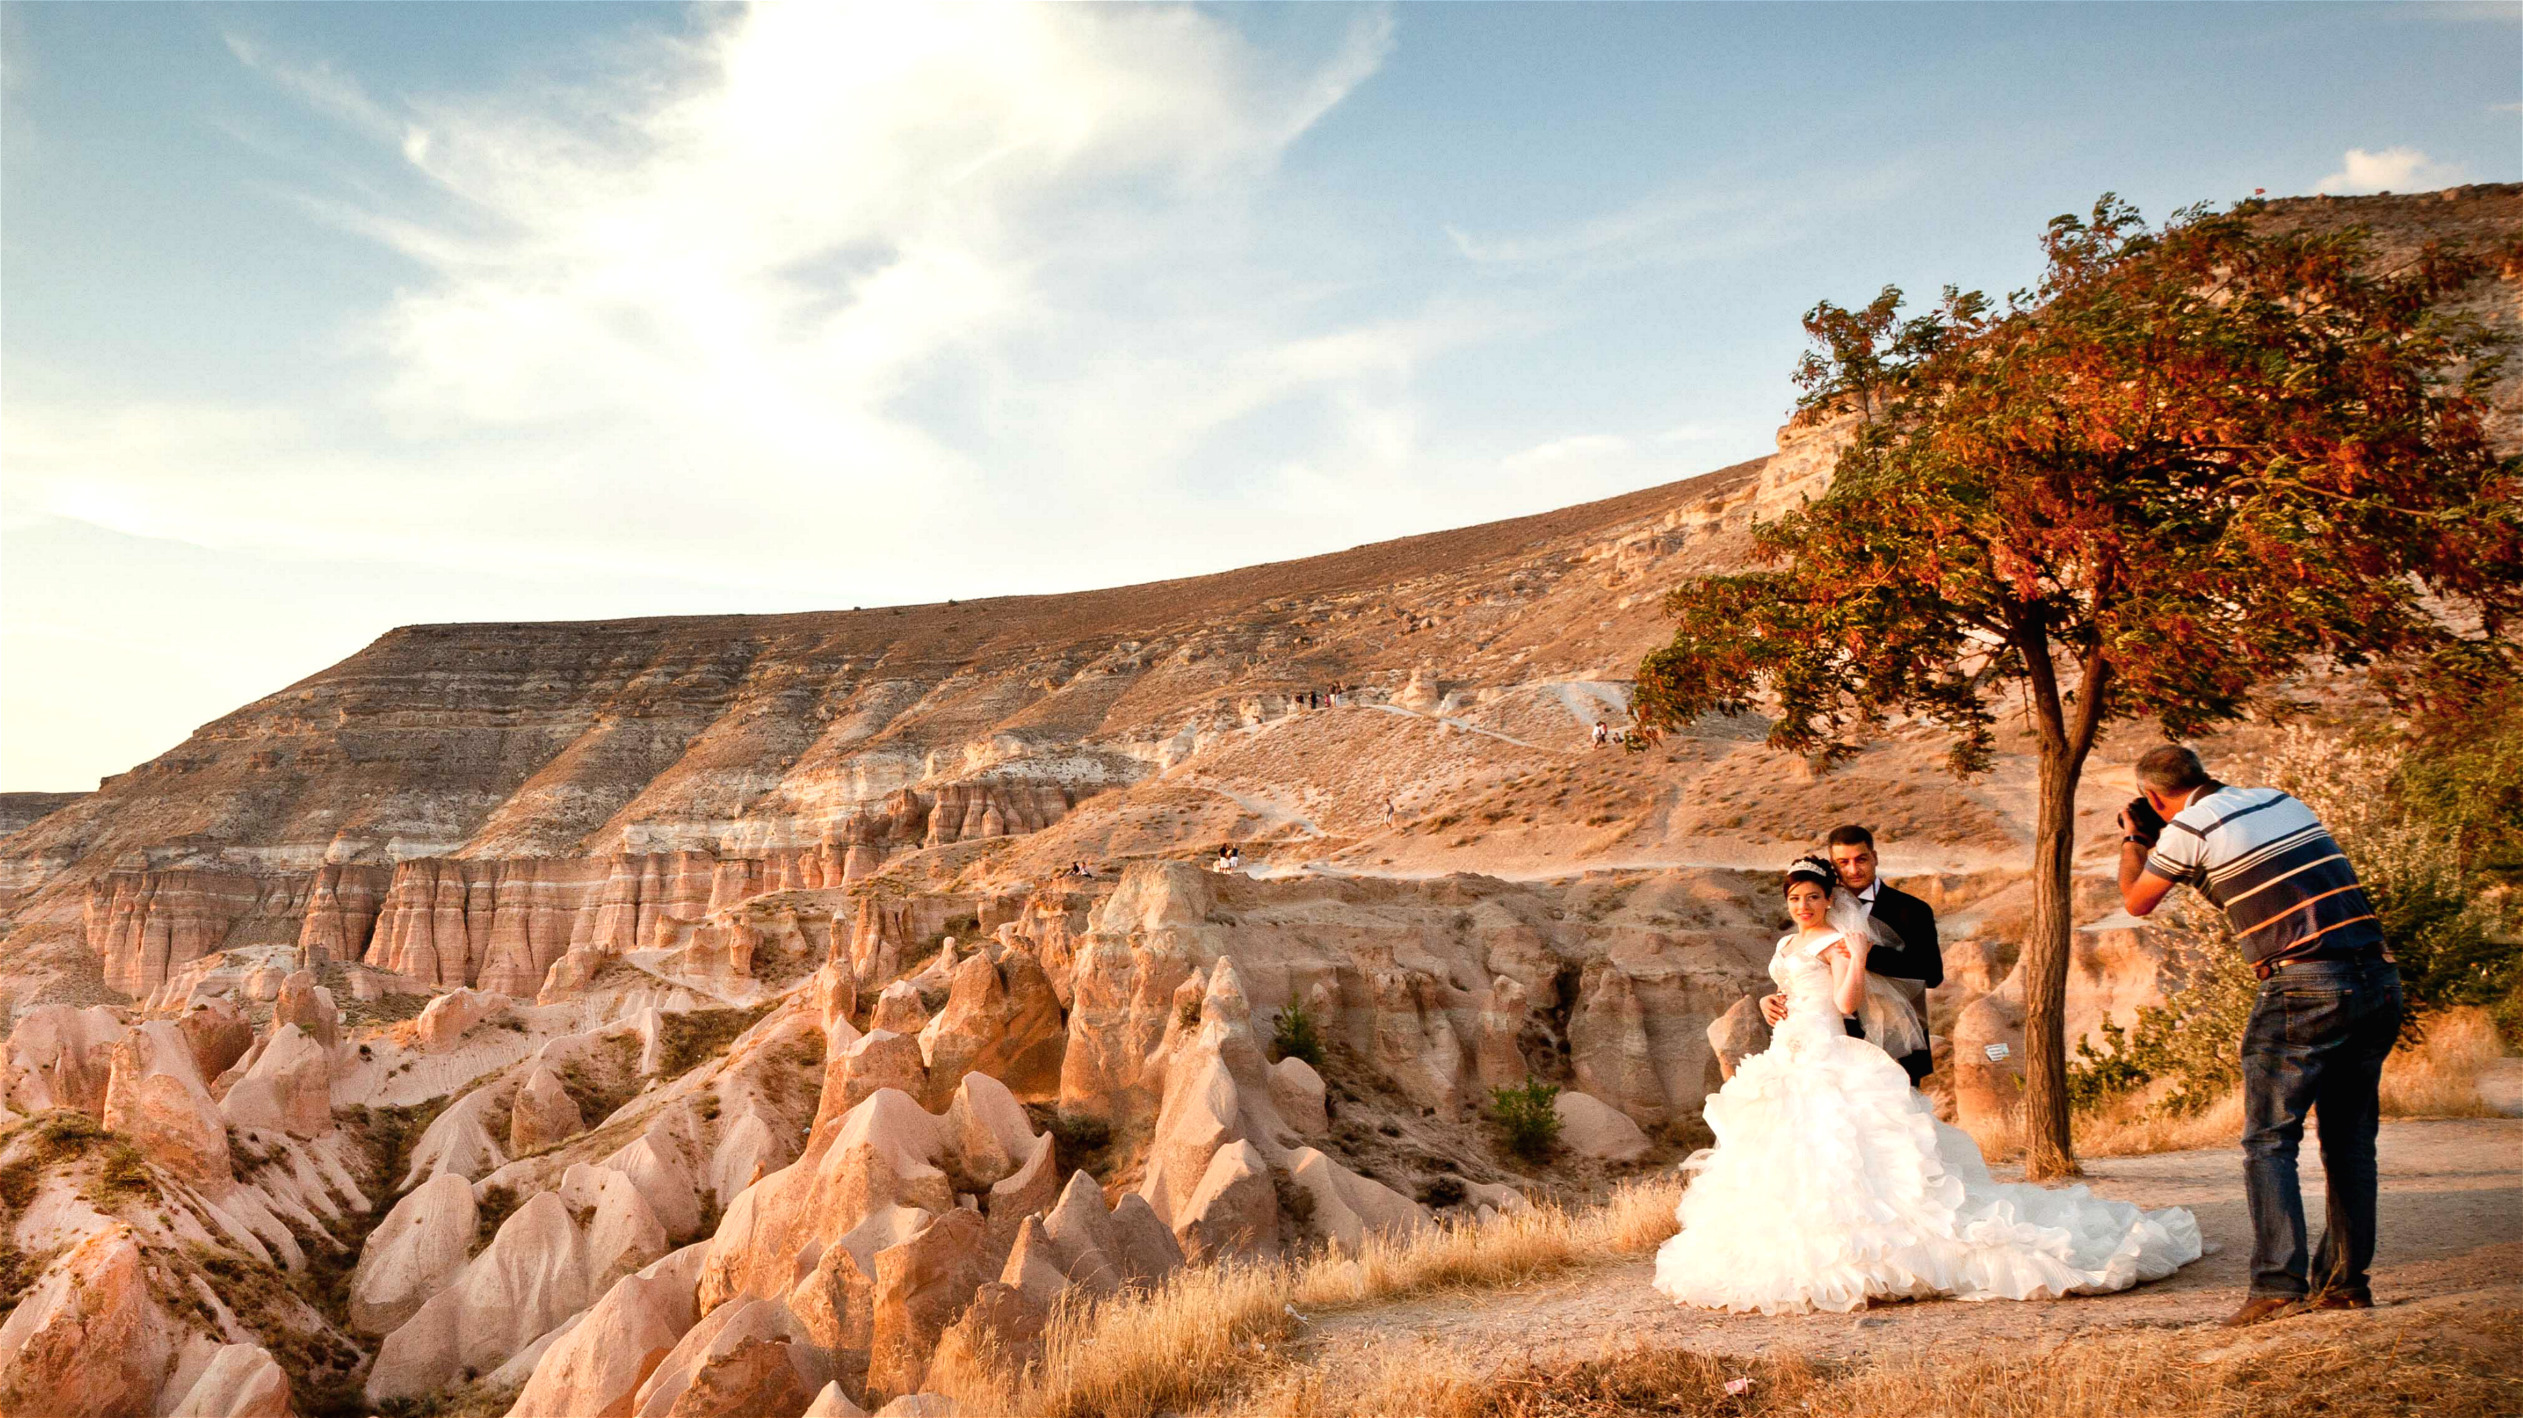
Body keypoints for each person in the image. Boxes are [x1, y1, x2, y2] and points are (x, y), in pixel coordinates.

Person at [1653, 856, 2202, 1314]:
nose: (1804, 906)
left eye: (1813, 898)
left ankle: (1864, 1250)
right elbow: (1786, 988)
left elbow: (1846, 1003)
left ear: (1827, 899)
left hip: (1825, 1049)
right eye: (1795, 898)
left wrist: (1858, 957)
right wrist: (1768, 1002)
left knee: (1840, 1145)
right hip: (1785, 1051)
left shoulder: (1839, 941)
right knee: (1783, 1150)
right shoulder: (1785, 947)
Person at [2116, 744, 2402, 1327]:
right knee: (2349, 1142)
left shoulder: (2189, 828)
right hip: (2377, 978)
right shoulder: (2281, 800)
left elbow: (2136, 901)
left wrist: (2134, 840)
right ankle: (2345, 1285)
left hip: (2303, 985)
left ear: (2151, 796)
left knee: (2269, 1141)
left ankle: (2277, 1286)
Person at [1759, 825, 1941, 1085]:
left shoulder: (1912, 910)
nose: (1853, 870)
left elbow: (1932, 974)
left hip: (1895, 1043)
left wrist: (1869, 954)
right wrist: (1774, 999)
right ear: (1834, 864)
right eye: (1844, 862)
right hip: (1827, 1042)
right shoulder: (1818, 902)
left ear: (1874, 857)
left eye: (1861, 859)